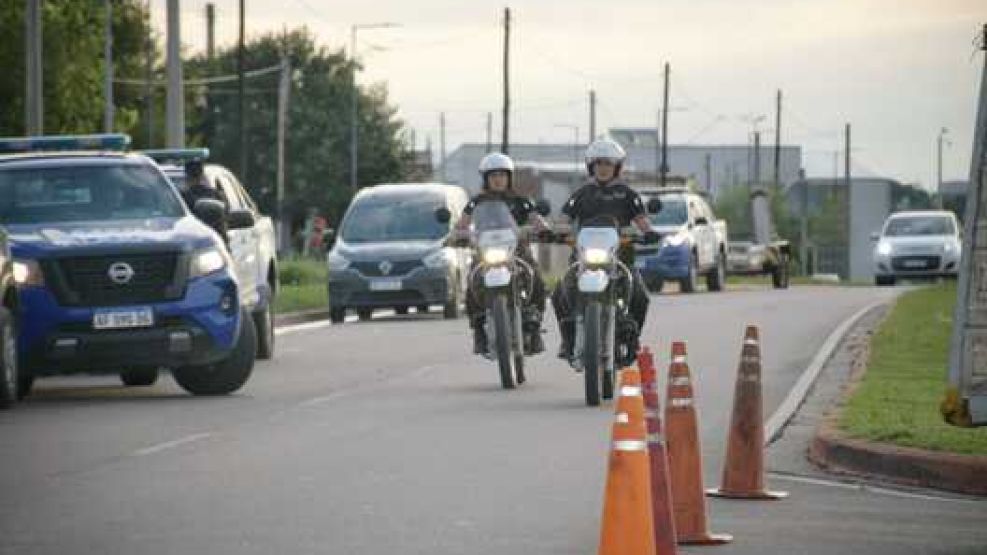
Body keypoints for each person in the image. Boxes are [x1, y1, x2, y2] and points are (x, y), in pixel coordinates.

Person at [552, 138, 659, 363]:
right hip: (584, 257)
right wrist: (557, 231)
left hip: (620, 256)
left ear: (617, 167)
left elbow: (641, 219)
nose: (603, 168)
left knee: (641, 296)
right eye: (598, 164)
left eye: (608, 164)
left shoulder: (628, 194)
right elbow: (564, 219)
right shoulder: (581, 194)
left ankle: (633, 337)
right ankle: (568, 337)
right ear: (591, 167)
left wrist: (648, 232)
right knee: (559, 292)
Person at [455, 153, 551, 356]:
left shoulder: (521, 201)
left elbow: (536, 220)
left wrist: (542, 228)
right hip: (486, 251)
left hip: (516, 249)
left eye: (502, 175)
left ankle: (534, 324)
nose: (498, 179)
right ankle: (479, 328)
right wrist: (457, 234)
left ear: (509, 177)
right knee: (473, 281)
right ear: (486, 179)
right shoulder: (476, 202)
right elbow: (462, 224)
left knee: (536, 277)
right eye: (493, 175)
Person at [182, 160, 230, 242]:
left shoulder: (181, 199)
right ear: (202, 176)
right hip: (216, 244)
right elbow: (227, 218)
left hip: (189, 244)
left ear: (186, 178)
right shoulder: (217, 196)